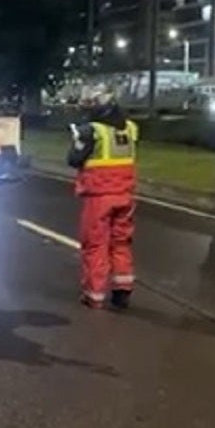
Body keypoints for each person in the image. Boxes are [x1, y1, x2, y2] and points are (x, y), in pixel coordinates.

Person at [68, 94, 139, 310]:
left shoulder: (92, 131)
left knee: (95, 245)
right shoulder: (130, 128)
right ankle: (122, 290)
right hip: (125, 194)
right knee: (121, 242)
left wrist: (78, 138)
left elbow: (73, 159)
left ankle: (94, 295)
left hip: (99, 195)